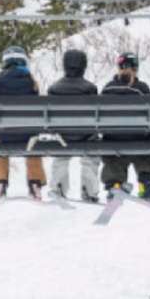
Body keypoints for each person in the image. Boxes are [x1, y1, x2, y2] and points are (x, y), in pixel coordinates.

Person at [0, 46, 47, 200]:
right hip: (28, 133)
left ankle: (0, 183)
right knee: (33, 145)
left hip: (4, 134)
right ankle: (35, 184)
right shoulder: (31, 83)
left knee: (0, 147)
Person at [100, 51, 150, 202]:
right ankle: (145, 185)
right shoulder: (141, 88)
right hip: (140, 141)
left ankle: (115, 184)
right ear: (136, 68)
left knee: (113, 152)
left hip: (113, 141)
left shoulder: (108, 89)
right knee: (147, 144)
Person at [46, 49, 101, 203]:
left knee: (61, 155)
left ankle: (58, 187)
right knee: (91, 156)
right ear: (84, 66)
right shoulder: (90, 88)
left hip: (62, 136)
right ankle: (89, 190)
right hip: (86, 135)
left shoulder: (54, 89)